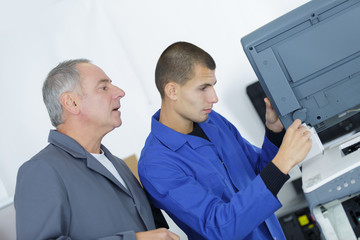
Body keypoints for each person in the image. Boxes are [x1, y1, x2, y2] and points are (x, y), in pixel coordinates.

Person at [138, 42, 312, 240]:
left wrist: (274, 132)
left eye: (212, 86)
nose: (214, 98)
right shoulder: (156, 165)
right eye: (203, 88)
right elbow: (219, 227)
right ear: (172, 91)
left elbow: (256, 172)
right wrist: (283, 162)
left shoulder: (213, 121)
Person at [14, 59, 179, 240]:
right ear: (71, 103)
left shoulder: (118, 165)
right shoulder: (41, 170)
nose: (120, 92)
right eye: (103, 88)